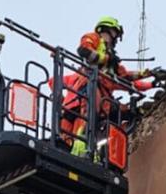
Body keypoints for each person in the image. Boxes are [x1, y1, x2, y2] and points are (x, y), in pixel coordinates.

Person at [60, 17, 156, 156]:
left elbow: (127, 79)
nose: (115, 38)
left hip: (104, 98)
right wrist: (105, 58)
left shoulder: (112, 60)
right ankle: (81, 151)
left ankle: (101, 153)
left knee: (124, 113)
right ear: (103, 30)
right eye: (114, 33)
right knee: (88, 118)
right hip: (88, 89)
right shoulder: (94, 38)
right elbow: (84, 51)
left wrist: (149, 78)